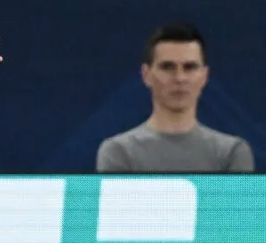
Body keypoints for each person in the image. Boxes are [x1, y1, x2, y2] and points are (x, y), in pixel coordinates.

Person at [96, 22, 253, 173]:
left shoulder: (231, 153)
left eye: (190, 67)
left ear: (204, 76)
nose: (179, 78)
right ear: (146, 75)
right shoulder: (119, 151)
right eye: (167, 67)